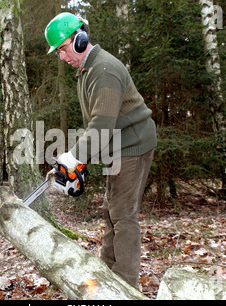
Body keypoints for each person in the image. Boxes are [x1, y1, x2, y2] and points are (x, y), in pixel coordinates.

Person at [45, 12, 157, 289]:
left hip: (132, 145)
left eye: (63, 49)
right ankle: (108, 272)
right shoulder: (87, 70)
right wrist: (76, 158)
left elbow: (102, 126)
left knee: (123, 214)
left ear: (81, 39)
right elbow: (99, 124)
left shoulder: (104, 70)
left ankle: (127, 286)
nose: (62, 57)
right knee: (111, 209)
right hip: (117, 145)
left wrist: (74, 157)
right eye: (58, 52)